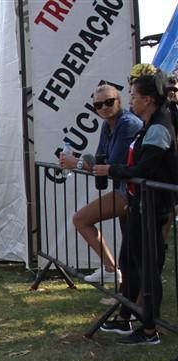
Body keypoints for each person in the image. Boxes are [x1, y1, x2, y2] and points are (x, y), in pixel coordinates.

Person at [93, 72, 177, 345]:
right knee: (129, 261)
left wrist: (112, 169)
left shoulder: (159, 128)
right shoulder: (147, 124)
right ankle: (127, 314)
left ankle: (150, 329)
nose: (131, 101)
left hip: (154, 206)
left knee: (147, 268)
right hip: (138, 204)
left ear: (149, 99)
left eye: (134, 96)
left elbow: (143, 169)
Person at [59, 84, 142, 284]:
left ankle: (116, 274)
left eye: (108, 102)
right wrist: (78, 161)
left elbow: (110, 164)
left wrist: (77, 163)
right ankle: (116, 275)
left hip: (135, 192)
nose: (103, 107)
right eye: (98, 105)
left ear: (119, 101)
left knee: (81, 219)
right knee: (132, 249)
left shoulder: (128, 124)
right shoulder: (108, 125)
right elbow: (100, 159)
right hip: (125, 190)